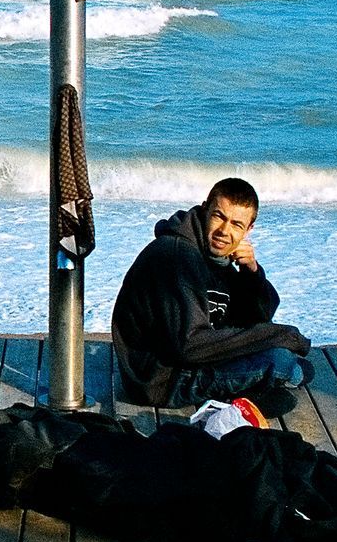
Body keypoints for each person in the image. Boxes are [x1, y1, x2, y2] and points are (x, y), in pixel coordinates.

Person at [112, 177, 314, 415]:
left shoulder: (216, 257)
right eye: (219, 217)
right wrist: (280, 336)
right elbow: (188, 346)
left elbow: (256, 318)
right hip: (161, 379)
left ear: (249, 229)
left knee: (288, 360)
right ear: (205, 209)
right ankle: (243, 397)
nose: (224, 231)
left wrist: (252, 273)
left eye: (237, 224)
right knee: (282, 363)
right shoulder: (177, 257)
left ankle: (245, 394)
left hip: (189, 362)